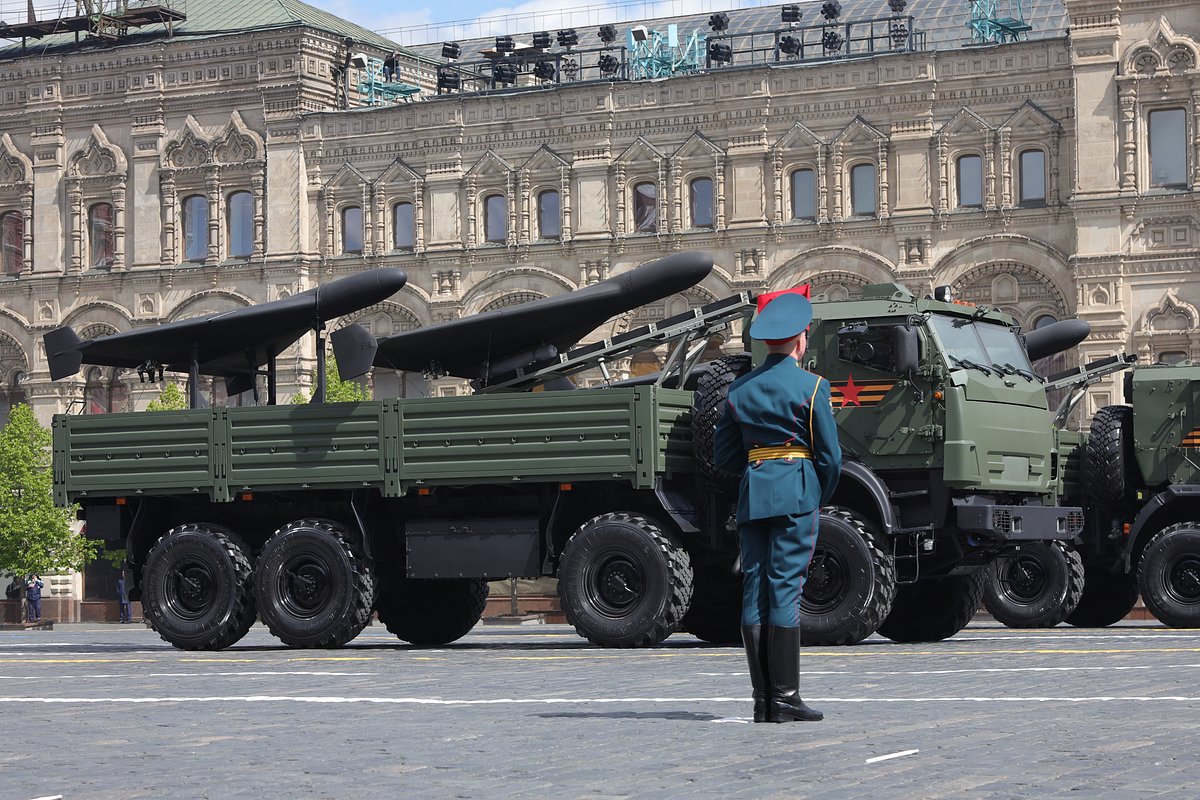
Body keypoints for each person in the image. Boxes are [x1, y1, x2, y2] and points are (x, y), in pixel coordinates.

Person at [713, 291, 842, 724]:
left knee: (755, 589)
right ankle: (785, 698)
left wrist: (758, 468)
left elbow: (725, 456)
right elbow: (830, 457)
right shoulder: (813, 387)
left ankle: (762, 700)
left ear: (766, 342)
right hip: (797, 493)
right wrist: (814, 492)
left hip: (755, 493)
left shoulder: (738, 391)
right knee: (785, 589)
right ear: (800, 340)